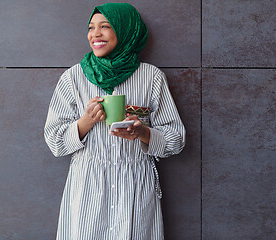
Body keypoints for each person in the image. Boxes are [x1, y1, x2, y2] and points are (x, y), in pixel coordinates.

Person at [44, 3, 185, 240]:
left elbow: (176, 138)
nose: (95, 34)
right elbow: (55, 142)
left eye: (105, 26)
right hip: (87, 187)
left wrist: (143, 134)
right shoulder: (73, 78)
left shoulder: (151, 77)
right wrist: (87, 121)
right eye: (91, 27)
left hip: (135, 185)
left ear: (126, 30)